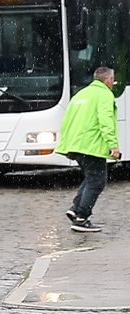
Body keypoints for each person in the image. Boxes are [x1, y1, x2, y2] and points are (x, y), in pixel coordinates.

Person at [63, 64, 121, 232]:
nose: (113, 82)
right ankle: (82, 217)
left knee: (90, 178)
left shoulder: (82, 94)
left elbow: (68, 120)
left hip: (76, 144)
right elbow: (106, 121)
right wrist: (113, 145)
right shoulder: (104, 95)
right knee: (97, 181)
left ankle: (75, 209)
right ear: (109, 80)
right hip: (91, 145)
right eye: (113, 79)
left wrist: (67, 144)